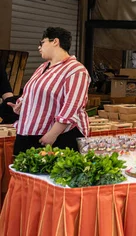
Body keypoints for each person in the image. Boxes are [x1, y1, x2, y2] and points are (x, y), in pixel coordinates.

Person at [9, 27, 90, 155]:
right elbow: (30, 93)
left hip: (56, 137)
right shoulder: (43, 67)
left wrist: (53, 134)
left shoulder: (76, 70)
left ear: (55, 42)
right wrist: (20, 105)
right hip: (28, 132)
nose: (39, 47)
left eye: (42, 43)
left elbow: (72, 105)